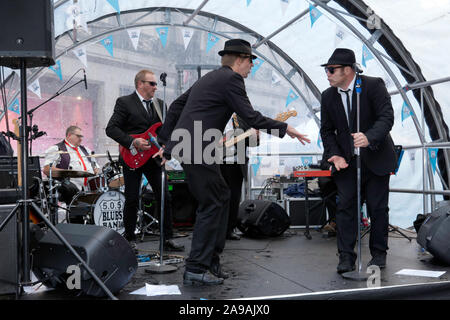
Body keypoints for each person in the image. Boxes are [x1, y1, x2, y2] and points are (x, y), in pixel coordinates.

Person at [155, 39, 310, 286]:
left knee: (222, 197)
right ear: (240, 59)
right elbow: (250, 116)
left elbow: (176, 106)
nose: (251, 69)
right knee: (213, 202)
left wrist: (166, 142)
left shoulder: (210, 78)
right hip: (197, 146)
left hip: (191, 146)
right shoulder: (231, 80)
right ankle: (197, 267)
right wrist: (285, 127)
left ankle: (211, 260)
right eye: (251, 62)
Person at [319, 48, 397, 274]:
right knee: (344, 208)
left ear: (348, 70)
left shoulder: (373, 85)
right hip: (346, 162)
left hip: (375, 158)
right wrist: (334, 154)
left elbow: (386, 117)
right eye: (327, 69)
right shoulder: (328, 95)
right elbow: (326, 130)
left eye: (332, 69)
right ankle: (345, 256)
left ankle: (379, 255)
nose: (328, 74)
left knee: (378, 208)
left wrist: (369, 137)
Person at [105, 69, 184, 253]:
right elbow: (111, 129)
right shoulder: (124, 102)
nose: (156, 87)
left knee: (164, 196)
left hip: (154, 158)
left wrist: (166, 150)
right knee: (132, 198)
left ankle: (167, 238)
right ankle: (130, 239)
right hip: (132, 156)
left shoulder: (160, 105)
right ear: (140, 84)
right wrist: (132, 141)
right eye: (152, 83)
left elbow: (167, 132)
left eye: (156, 84)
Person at [220, 114, 259, 241]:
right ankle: (215, 229)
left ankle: (229, 230)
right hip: (216, 162)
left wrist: (256, 136)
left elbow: (252, 143)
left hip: (236, 163)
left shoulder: (241, 118)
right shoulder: (216, 113)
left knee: (234, 197)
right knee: (217, 197)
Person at [43, 125, 99, 203]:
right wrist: (67, 172)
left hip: (88, 189)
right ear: (69, 135)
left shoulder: (86, 150)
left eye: (82, 136)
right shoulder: (56, 149)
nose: (81, 139)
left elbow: (95, 166)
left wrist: (96, 170)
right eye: (78, 136)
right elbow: (47, 169)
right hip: (69, 190)